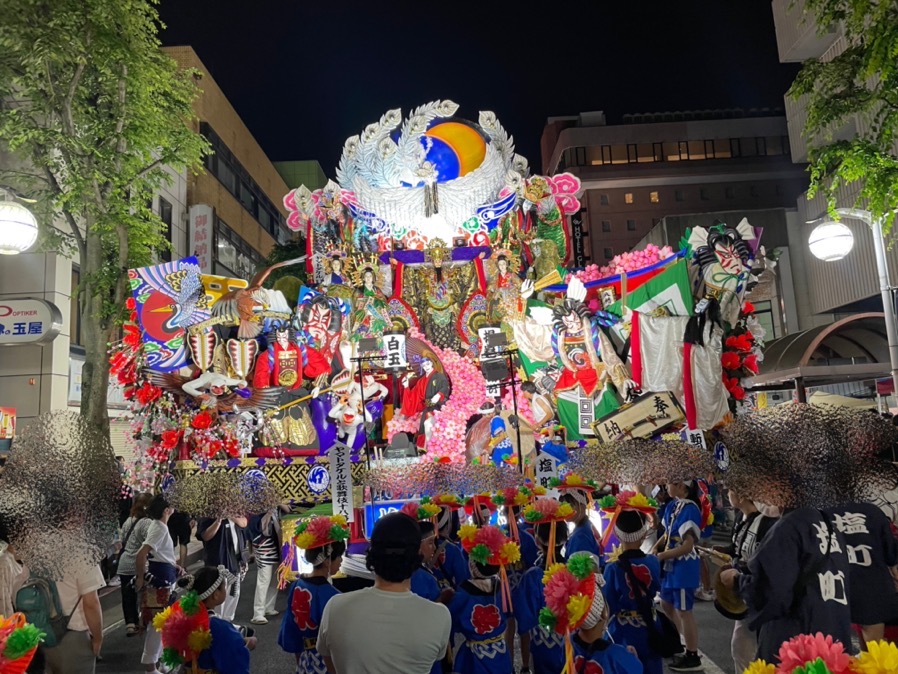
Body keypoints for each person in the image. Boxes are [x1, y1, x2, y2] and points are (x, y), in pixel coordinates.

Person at [317, 513, 451, 673]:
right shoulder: (439, 616)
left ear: (371, 555)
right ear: (417, 555)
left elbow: (331, 664)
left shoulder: (335, 607)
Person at [720, 506, 854, 662]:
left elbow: (771, 591)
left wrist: (737, 581)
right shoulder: (826, 523)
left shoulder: (787, 527)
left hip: (797, 640)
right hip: (833, 635)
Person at [541, 551, 643, 674]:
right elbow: (636, 669)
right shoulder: (618, 656)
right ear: (604, 613)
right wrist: (632, 657)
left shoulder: (567, 646)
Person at [714, 489, 778, 673]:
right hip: (744, 591)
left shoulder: (767, 523)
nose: (727, 494)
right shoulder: (740, 518)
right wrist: (720, 551)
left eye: (731, 490)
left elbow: (767, 562)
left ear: (742, 496)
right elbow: (736, 548)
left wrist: (740, 572)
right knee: (742, 647)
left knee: (748, 647)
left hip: (758, 591)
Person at [278, 515, 348, 674]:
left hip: (304, 659)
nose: (341, 562)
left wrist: (300, 659)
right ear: (328, 560)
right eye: (339, 557)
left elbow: (290, 627)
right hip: (327, 661)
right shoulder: (332, 596)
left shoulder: (296, 586)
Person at [603, 503, 664, 674]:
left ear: (616, 534)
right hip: (650, 625)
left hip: (623, 631)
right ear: (644, 534)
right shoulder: (653, 562)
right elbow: (656, 587)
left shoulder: (612, 569)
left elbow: (609, 604)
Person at [826, 501, 898, 645]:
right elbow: (891, 554)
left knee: (834, 647)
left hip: (833, 586)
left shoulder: (814, 514)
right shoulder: (871, 511)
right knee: (874, 647)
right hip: (871, 587)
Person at [449, 525, 518, 674]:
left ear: (472, 566)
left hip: (473, 657)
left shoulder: (462, 593)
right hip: (500, 653)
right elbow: (510, 615)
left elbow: (451, 622)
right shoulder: (503, 589)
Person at [168, 566, 256, 674]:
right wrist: (247, 646)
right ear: (216, 595)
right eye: (224, 587)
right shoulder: (219, 627)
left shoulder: (181, 618)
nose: (226, 589)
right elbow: (234, 664)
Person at [655, 480, 702, 672]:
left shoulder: (690, 508)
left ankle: (692, 655)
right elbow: (667, 533)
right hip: (670, 564)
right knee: (666, 603)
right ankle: (678, 641)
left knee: (684, 610)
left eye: (670, 482)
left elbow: (688, 545)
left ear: (683, 487)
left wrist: (661, 555)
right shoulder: (673, 505)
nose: (666, 485)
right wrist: (655, 547)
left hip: (683, 565)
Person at [513, 521, 569, 674]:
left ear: (537, 541)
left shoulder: (531, 577)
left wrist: (525, 665)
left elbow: (524, 624)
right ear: (566, 537)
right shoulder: (576, 573)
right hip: (572, 646)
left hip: (541, 646)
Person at [134, 495, 180, 674]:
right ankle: (150, 667)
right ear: (166, 510)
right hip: (160, 580)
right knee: (158, 624)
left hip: (165, 575)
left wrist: (174, 565)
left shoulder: (159, 526)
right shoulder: (159, 528)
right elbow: (141, 554)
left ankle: (160, 662)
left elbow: (159, 554)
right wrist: (139, 577)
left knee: (164, 623)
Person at [43, 563, 104, 674]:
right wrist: (98, 638)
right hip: (73, 636)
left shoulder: (36, 554)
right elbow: (91, 604)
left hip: (42, 635)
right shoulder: (81, 554)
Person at [196, 515, 249, 622]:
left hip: (235, 561)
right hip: (218, 564)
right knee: (217, 599)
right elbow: (205, 536)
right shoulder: (209, 514)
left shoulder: (235, 512)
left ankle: (228, 622)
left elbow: (244, 523)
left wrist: (232, 516)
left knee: (233, 595)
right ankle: (216, 624)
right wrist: (219, 519)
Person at [116, 492, 154, 637]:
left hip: (124, 563)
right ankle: (144, 621)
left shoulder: (128, 521)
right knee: (145, 593)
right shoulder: (148, 523)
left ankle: (130, 624)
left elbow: (121, 540)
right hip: (140, 564)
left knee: (127, 595)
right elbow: (150, 544)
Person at [249, 503, 290, 625]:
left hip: (277, 544)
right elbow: (259, 528)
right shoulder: (257, 508)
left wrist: (278, 504)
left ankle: (268, 607)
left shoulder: (276, 507)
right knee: (264, 578)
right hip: (264, 546)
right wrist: (268, 512)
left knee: (275, 578)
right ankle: (258, 613)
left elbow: (288, 510)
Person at [557, 476, 603, 562]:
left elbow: (582, 572)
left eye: (569, 505)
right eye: (562, 506)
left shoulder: (581, 536)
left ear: (582, 505)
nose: (564, 510)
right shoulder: (586, 527)